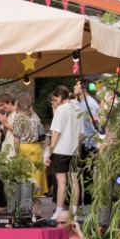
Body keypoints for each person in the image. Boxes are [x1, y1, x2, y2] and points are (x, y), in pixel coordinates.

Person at [48, 85, 81, 219]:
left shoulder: (61, 109)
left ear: (60, 97)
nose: (55, 101)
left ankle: (59, 211)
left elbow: (56, 132)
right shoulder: (78, 108)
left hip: (60, 150)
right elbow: (82, 133)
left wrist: (49, 152)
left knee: (61, 182)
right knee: (74, 181)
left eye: (56, 98)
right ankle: (74, 211)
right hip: (74, 150)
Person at [10, 92, 47, 195]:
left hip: (25, 149)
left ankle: (28, 204)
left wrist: (16, 154)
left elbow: (17, 137)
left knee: (27, 178)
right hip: (36, 148)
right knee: (37, 176)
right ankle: (36, 206)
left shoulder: (19, 117)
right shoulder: (35, 115)